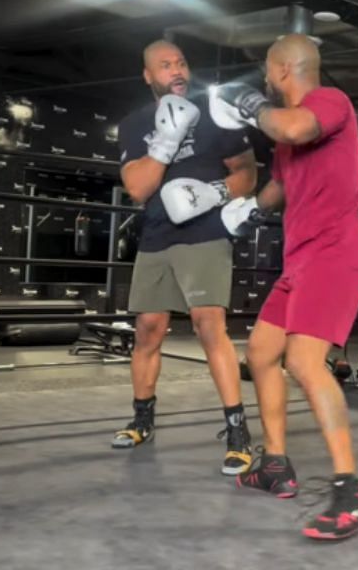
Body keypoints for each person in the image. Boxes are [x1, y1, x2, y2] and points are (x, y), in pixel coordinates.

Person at [212, 34, 358, 541]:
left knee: (304, 363)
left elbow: (296, 125)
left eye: (267, 71)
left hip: (335, 254)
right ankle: (276, 464)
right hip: (299, 261)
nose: (264, 80)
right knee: (261, 353)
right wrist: (249, 210)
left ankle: (352, 492)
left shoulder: (328, 103)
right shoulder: (285, 138)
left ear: (283, 69)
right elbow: (282, 184)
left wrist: (247, 102)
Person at [113, 40, 257, 475]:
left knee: (208, 324)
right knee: (148, 329)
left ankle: (237, 431)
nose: (176, 70)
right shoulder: (135, 123)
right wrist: (165, 141)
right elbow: (137, 188)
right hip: (157, 233)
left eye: (180, 63)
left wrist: (214, 193)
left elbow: (248, 172)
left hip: (206, 230)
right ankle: (142, 419)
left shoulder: (215, 114)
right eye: (165, 65)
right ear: (148, 75)